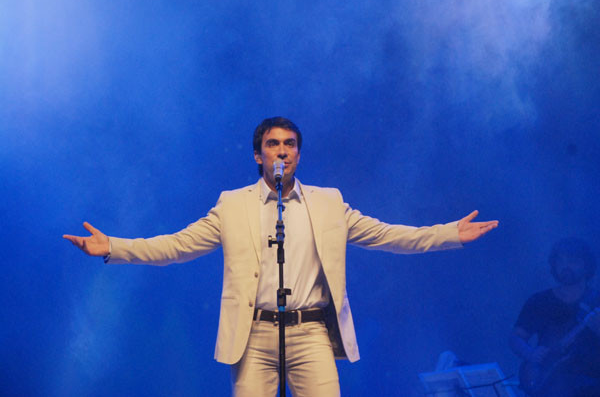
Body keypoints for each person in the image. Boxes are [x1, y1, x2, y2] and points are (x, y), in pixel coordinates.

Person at [64, 116, 498, 396]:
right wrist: (115, 247)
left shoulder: (328, 203)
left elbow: (387, 234)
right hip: (253, 335)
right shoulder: (231, 205)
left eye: (290, 144)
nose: (283, 151)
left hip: (311, 333)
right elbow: (177, 245)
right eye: (274, 144)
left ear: (298, 154)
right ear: (259, 156)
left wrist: (447, 234)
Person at [510, 238, 600, 397]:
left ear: (586, 265)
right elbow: (516, 338)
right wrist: (530, 354)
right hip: (547, 385)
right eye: (560, 261)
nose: (565, 266)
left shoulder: (596, 300)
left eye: (572, 261)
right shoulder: (539, 301)